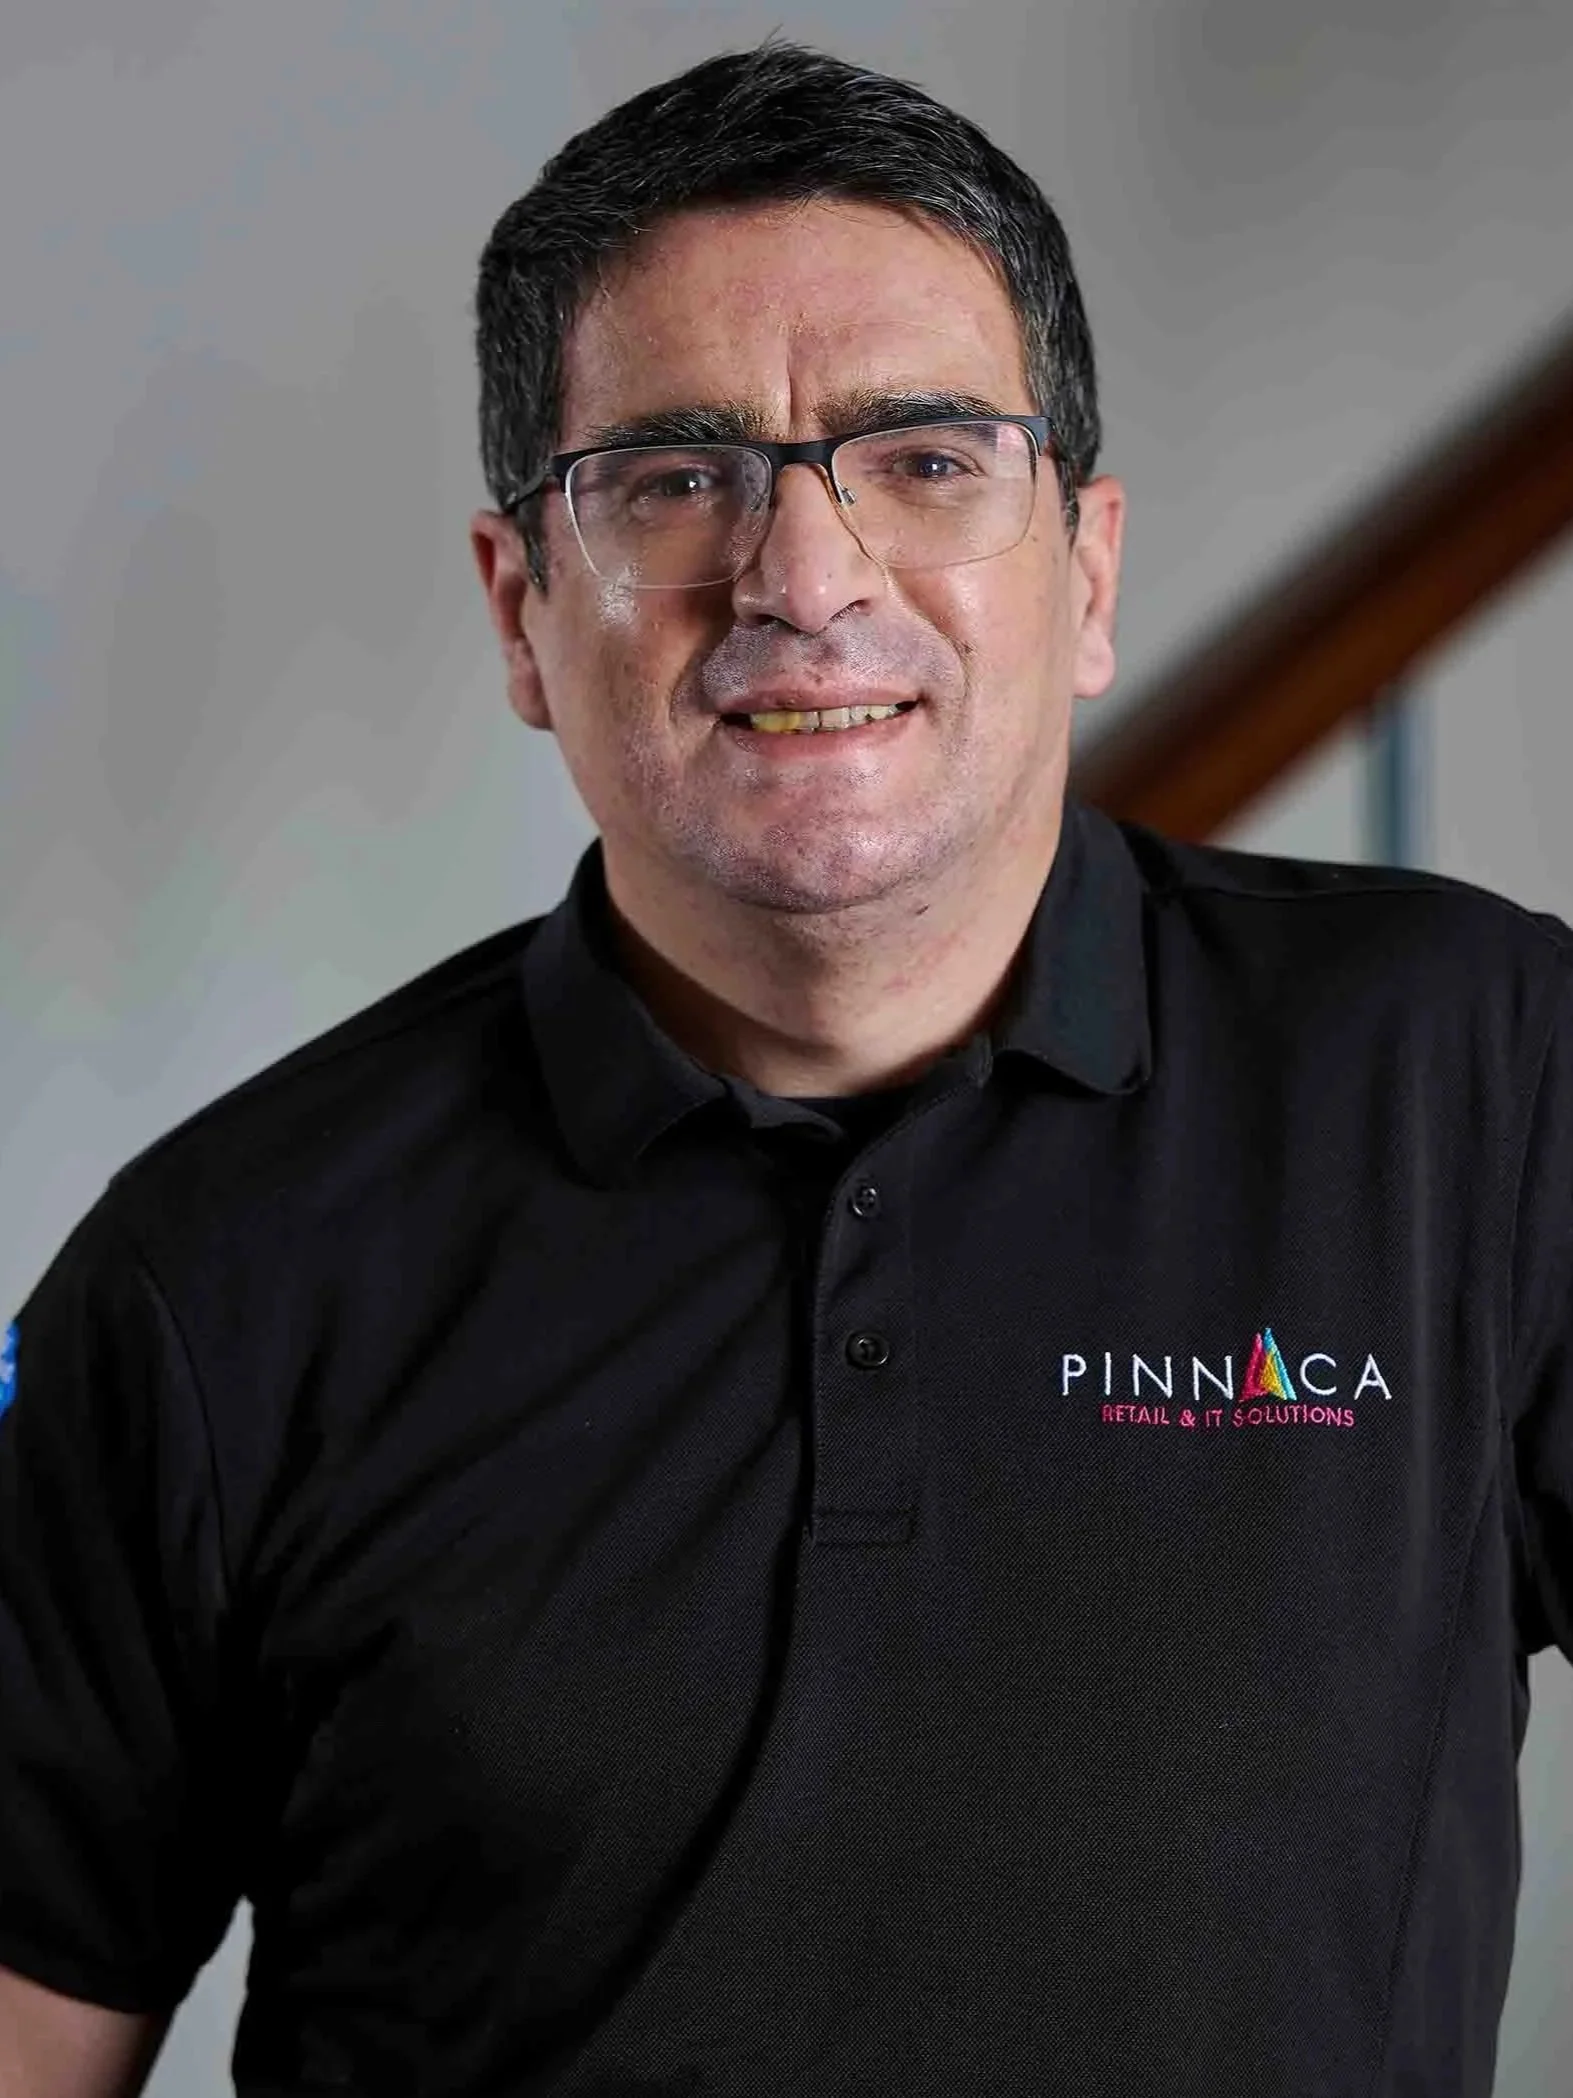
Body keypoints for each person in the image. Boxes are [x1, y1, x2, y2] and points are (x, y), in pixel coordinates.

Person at [1, 38, 1570, 2098]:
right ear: (517, 608)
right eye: (674, 479)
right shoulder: (215, 1281)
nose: (806, 578)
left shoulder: (1480, 1083)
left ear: (1085, 572)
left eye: (924, 459)